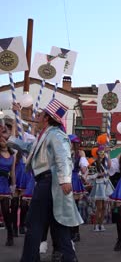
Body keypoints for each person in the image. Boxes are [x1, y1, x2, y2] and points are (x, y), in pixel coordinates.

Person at [5, 99, 82, 262]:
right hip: (48, 183)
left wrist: (65, 180)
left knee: (34, 223)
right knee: (58, 225)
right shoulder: (46, 135)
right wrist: (9, 139)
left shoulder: (55, 134)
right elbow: (28, 148)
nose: (37, 117)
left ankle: (30, 259)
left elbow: (63, 157)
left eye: (40, 114)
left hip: (49, 182)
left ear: (47, 118)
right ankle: (68, 257)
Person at [88, 145, 114, 232]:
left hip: (105, 184)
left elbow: (110, 166)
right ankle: (96, 225)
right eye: (100, 152)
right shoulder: (94, 163)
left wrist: (108, 153)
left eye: (103, 152)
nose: (102, 154)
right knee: (99, 207)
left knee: (104, 207)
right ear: (97, 153)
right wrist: (99, 174)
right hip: (99, 185)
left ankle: (101, 224)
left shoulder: (105, 163)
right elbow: (90, 175)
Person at [68, 134, 88, 242]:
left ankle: (75, 232)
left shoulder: (79, 154)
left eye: (70, 143)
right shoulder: (64, 153)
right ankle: (68, 232)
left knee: (74, 208)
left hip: (74, 180)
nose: (68, 145)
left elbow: (84, 170)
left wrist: (83, 161)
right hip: (65, 180)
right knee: (66, 207)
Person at [0, 120, 16, 246]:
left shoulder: (12, 155)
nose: (2, 140)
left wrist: (13, 186)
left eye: (4, 139)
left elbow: (13, 173)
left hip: (5, 184)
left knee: (6, 212)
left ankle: (10, 235)